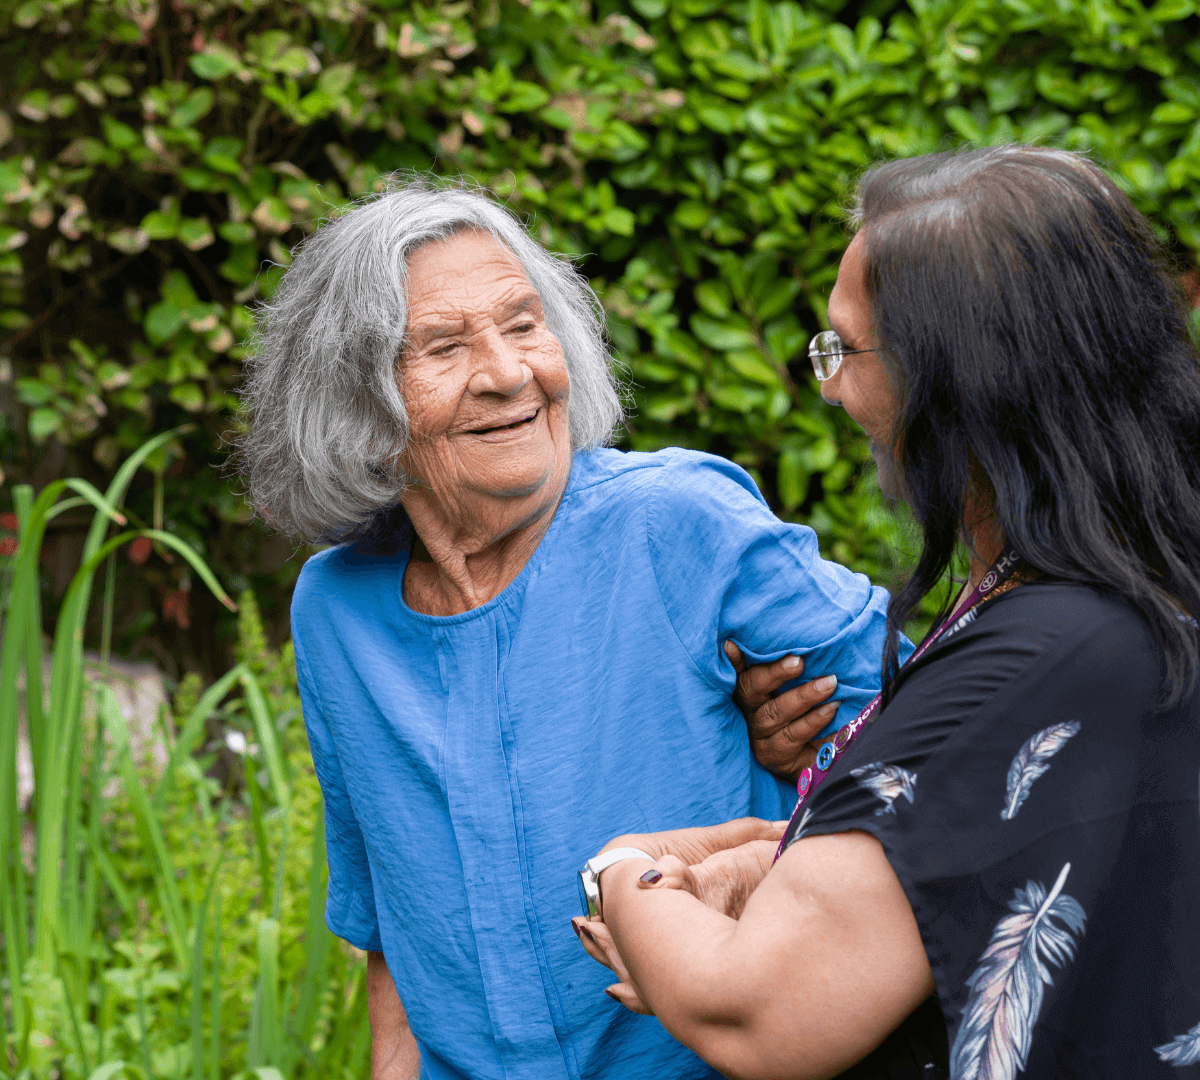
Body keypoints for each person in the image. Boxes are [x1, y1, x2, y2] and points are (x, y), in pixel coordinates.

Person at [239, 181, 904, 1080]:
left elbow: (937, 733)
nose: (510, 372)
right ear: (358, 401)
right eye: (444, 345)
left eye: (523, 324)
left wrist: (813, 756)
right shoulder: (337, 611)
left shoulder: (677, 522)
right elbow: (388, 922)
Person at [573, 145, 1200, 1080]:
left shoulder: (1039, 655)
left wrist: (624, 874)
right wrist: (773, 858)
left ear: (962, 384)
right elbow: (988, 846)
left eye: (844, 350)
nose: (826, 386)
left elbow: (756, 1011)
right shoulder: (1133, 587)